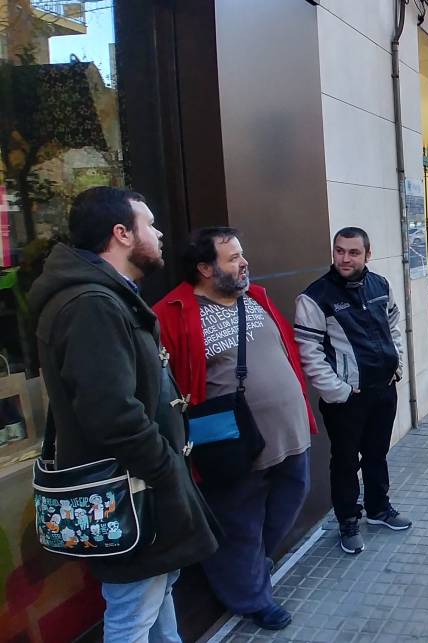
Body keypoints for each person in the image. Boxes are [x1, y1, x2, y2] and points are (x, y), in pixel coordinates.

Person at [28, 187, 219, 642]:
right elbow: (111, 412)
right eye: (148, 224)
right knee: (133, 616)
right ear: (121, 234)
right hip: (132, 494)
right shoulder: (91, 304)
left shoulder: (105, 296)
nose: (158, 233)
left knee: (157, 597)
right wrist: (166, 468)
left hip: (141, 490)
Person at [155, 227, 317, 631]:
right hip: (231, 444)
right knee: (238, 523)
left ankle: (248, 570)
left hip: (290, 433)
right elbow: (166, 385)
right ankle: (251, 597)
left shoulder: (256, 297)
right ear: (205, 268)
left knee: (288, 500)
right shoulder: (171, 312)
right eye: (233, 258)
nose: (244, 263)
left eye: (241, 255)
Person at [295, 227, 412, 556]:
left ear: (367, 254)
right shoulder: (314, 297)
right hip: (347, 399)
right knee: (345, 461)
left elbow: (393, 326)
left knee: (377, 454)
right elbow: (309, 352)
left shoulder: (380, 285)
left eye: (353, 252)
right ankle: (348, 519)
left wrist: (397, 366)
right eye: (339, 251)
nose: (345, 258)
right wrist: (338, 392)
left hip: (383, 390)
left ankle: (378, 510)